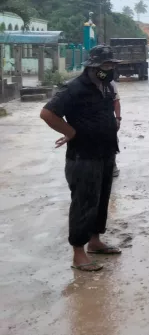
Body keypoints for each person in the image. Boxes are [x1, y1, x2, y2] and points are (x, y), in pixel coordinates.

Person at [40, 45, 122, 272]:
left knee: (101, 199)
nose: (111, 70)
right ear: (93, 67)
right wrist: (71, 132)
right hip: (83, 156)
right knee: (84, 203)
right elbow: (47, 113)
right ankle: (78, 253)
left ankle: (95, 242)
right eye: (107, 66)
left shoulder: (105, 87)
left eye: (112, 66)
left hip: (105, 152)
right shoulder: (74, 88)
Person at [110, 79, 121, 178]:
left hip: (108, 121)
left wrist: (118, 118)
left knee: (112, 143)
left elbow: (116, 101)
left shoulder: (110, 83)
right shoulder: (80, 85)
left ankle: (112, 165)